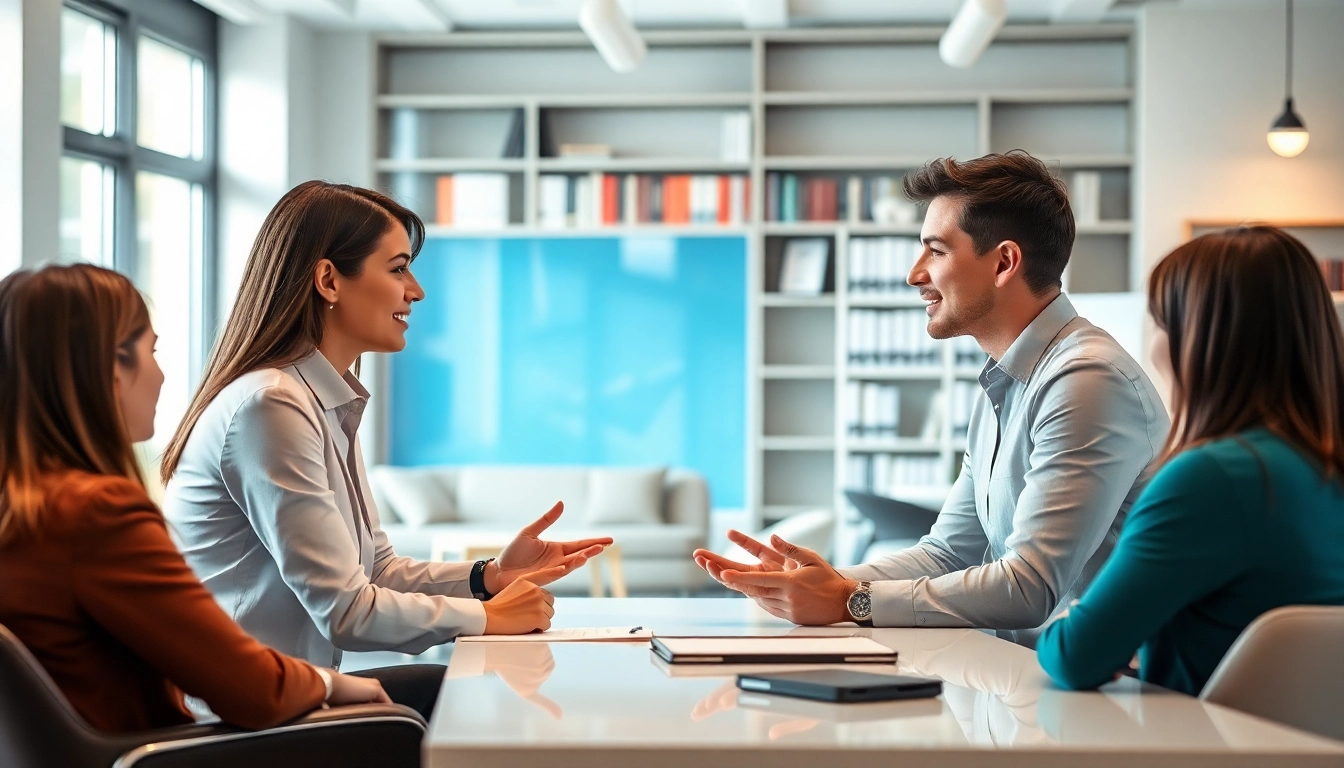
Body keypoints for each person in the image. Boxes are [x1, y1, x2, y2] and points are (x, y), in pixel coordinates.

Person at [160, 181, 610, 720]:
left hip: (290, 697)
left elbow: (374, 571)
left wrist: (487, 578)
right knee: (476, 705)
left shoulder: (318, 399)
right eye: (397, 269)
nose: (415, 291)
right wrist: (490, 617)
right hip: (244, 722)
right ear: (328, 279)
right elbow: (347, 612)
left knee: (461, 694)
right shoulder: (271, 408)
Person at [695, 151, 1170, 646]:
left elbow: (1029, 587)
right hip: (1026, 680)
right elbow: (948, 552)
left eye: (936, 251)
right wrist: (825, 583)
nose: (914, 274)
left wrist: (848, 601)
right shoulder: (1007, 380)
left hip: (1105, 696)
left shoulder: (1085, 379)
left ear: (1004, 262)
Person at [0, 264, 390, 733]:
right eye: (152, 350)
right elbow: (252, 690)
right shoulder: (94, 515)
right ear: (109, 367)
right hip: (154, 756)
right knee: (406, 718)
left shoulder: (24, 509)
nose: (162, 374)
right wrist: (328, 684)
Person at [1037, 226, 1344, 695]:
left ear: (1204, 338)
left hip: (1205, 744)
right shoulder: (1320, 469)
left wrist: (1085, 616)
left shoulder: (1211, 478)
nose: (1155, 346)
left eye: (1161, 324)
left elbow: (1075, 656)